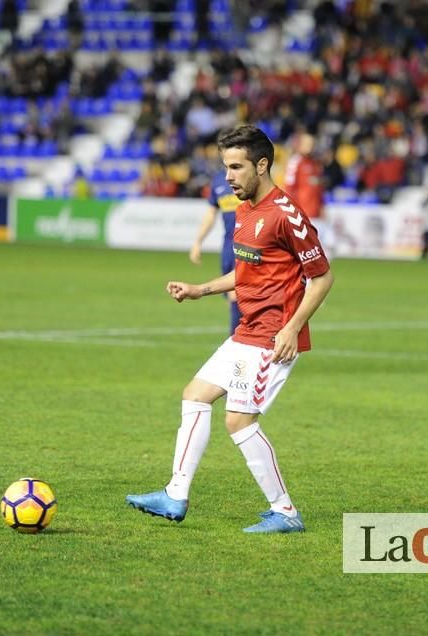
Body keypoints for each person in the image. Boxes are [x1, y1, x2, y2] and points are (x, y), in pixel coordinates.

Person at [127, 125, 334, 533]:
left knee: (239, 421)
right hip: (246, 330)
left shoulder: (286, 215)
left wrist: (292, 329)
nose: (228, 175)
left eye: (237, 167)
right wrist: (199, 289)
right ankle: (175, 495)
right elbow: (246, 273)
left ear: (262, 165)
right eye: (226, 166)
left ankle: (286, 512)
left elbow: (322, 277)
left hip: (272, 337)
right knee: (195, 396)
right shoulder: (243, 211)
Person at [189, 170, 242, 334]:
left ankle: (235, 344)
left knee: (236, 294)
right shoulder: (219, 180)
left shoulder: (249, 177)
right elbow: (211, 213)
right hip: (227, 247)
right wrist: (198, 242)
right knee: (231, 299)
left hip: (245, 245)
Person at [284, 132, 335, 257]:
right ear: (299, 145)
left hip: (317, 213)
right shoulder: (295, 162)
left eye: (312, 143)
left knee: (330, 245)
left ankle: (315, 276)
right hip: (304, 214)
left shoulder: (316, 164)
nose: (310, 146)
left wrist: (322, 208)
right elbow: (289, 188)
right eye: (307, 143)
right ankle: (307, 276)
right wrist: (293, 212)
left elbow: (319, 190)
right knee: (307, 251)